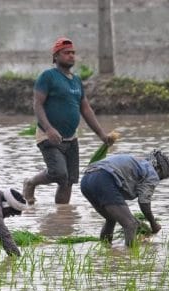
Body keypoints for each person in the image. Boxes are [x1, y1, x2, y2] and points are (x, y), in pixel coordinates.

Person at [23, 36, 116, 206]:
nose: (71, 56)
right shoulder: (48, 76)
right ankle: (31, 182)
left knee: (68, 181)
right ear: (56, 57)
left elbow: (86, 109)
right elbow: (37, 104)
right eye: (66, 53)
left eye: (73, 53)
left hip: (71, 138)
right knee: (59, 173)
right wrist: (49, 129)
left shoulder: (76, 81)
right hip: (48, 136)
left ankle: (62, 217)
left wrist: (102, 135)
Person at [80, 150, 169, 247]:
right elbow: (144, 202)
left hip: (86, 180)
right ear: (158, 169)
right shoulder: (152, 173)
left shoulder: (139, 163)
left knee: (111, 218)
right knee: (130, 225)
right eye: (161, 177)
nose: (159, 180)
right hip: (103, 179)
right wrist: (153, 223)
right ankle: (130, 258)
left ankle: (105, 251)